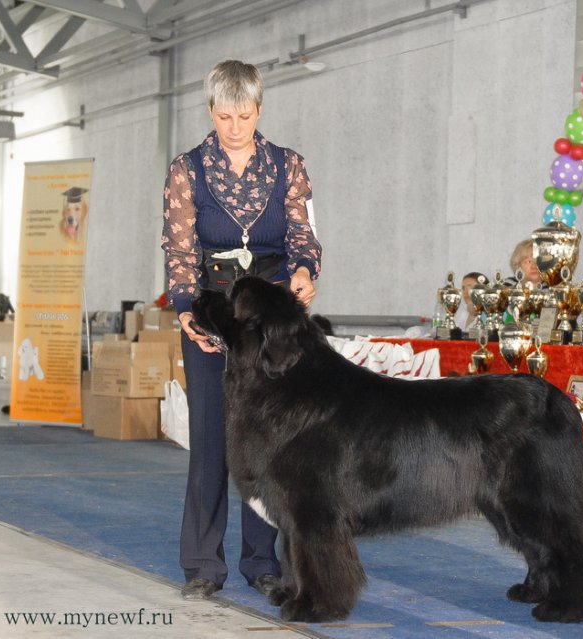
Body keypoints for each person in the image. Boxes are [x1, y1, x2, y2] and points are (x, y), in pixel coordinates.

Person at [161, 60, 322, 601]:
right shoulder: (187, 170)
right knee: (210, 437)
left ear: (259, 108)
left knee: (272, 441)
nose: (234, 126)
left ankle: (264, 560)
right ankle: (203, 563)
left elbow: (304, 236)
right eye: (224, 115)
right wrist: (186, 310)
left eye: (244, 114)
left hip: (271, 318)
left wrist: (304, 271)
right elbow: (180, 250)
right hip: (212, 311)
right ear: (211, 111)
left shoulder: (289, 166)